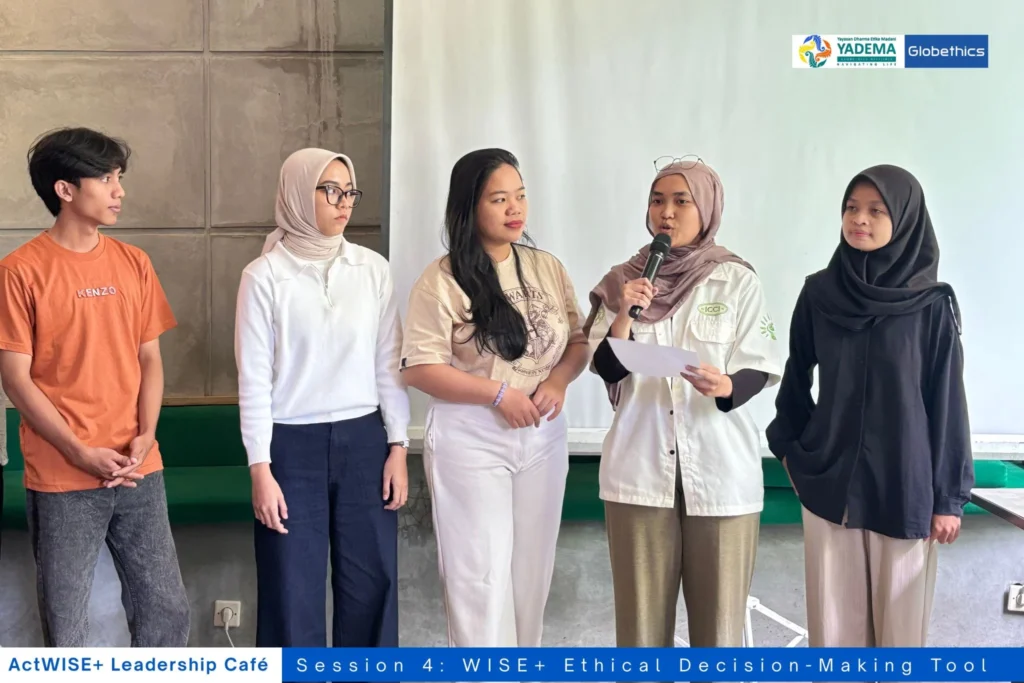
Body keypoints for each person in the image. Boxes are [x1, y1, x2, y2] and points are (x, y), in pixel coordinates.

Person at [766, 164, 973, 647]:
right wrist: (793, 452)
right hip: (829, 487)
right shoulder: (819, 294)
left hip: (904, 489)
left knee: (901, 643)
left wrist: (948, 499)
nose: (860, 219)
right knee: (834, 640)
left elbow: (947, 402)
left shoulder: (931, 306)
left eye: (876, 210)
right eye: (851, 208)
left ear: (904, 219)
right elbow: (796, 378)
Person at [0, 127, 189, 646]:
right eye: (105, 179)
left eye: (119, 177)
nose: (119, 190)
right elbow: (15, 378)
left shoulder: (134, 263)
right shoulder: (19, 272)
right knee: (67, 625)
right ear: (65, 189)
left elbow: (150, 359)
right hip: (62, 474)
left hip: (137, 467)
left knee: (166, 610)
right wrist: (78, 451)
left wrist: (146, 435)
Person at [584, 156, 782, 648]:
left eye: (681, 201)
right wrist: (624, 314)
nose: (666, 213)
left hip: (720, 471)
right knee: (641, 633)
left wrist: (727, 385)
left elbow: (760, 363)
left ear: (707, 208)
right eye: (657, 201)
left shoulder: (736, 279)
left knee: (719, 633)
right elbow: (606, 366)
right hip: (638, 471)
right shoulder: (623, 281)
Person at [400, 148, 590, 647]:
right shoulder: (441, 279)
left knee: (532, 576)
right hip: (472, 436)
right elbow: (419, 368)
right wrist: (497, 393)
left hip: (542, 434)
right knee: (479, 581)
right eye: (499, 199)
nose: (515, 209)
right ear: (469, 207)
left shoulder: (546, 267)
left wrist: (558, 381)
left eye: (520, 196)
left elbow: (578, 342)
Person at [234, 148, 410, 650]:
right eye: (330, 190)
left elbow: (388, 363)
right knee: (291, 589)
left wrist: (398, 446)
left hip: (365, 441)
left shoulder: (372, 269)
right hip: (290, 449)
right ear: (296, 193)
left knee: (373, 584)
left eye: (349, 191)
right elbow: (253, 381)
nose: (344, 202)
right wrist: (260, 469)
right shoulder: (263, 276)